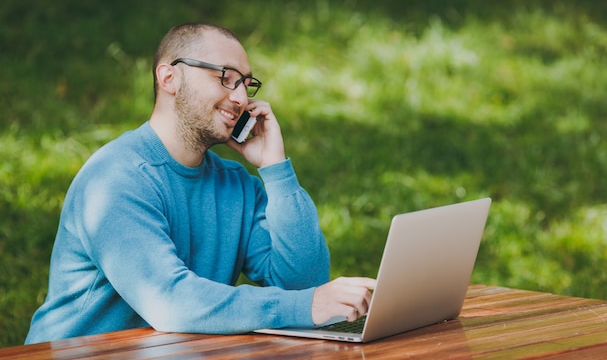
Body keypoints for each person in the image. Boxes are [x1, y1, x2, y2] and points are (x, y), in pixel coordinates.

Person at [25, 23, 376, 344]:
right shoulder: (118, 177)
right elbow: (169, 301)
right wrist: (307, 304)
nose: (240, 98)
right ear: (169, 78)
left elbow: (304, 283)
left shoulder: (237, 185)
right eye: (225, 77)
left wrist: (276, 169)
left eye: (245, 83)